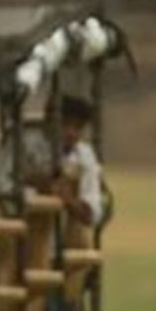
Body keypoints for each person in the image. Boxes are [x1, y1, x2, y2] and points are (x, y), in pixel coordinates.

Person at [53, 95, 105, 228]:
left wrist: (69, 201)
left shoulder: (84, 156)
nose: (71, 133)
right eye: (65, 125)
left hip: (66, 233)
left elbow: (94, 214)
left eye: (77, 127)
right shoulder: (27, 146)